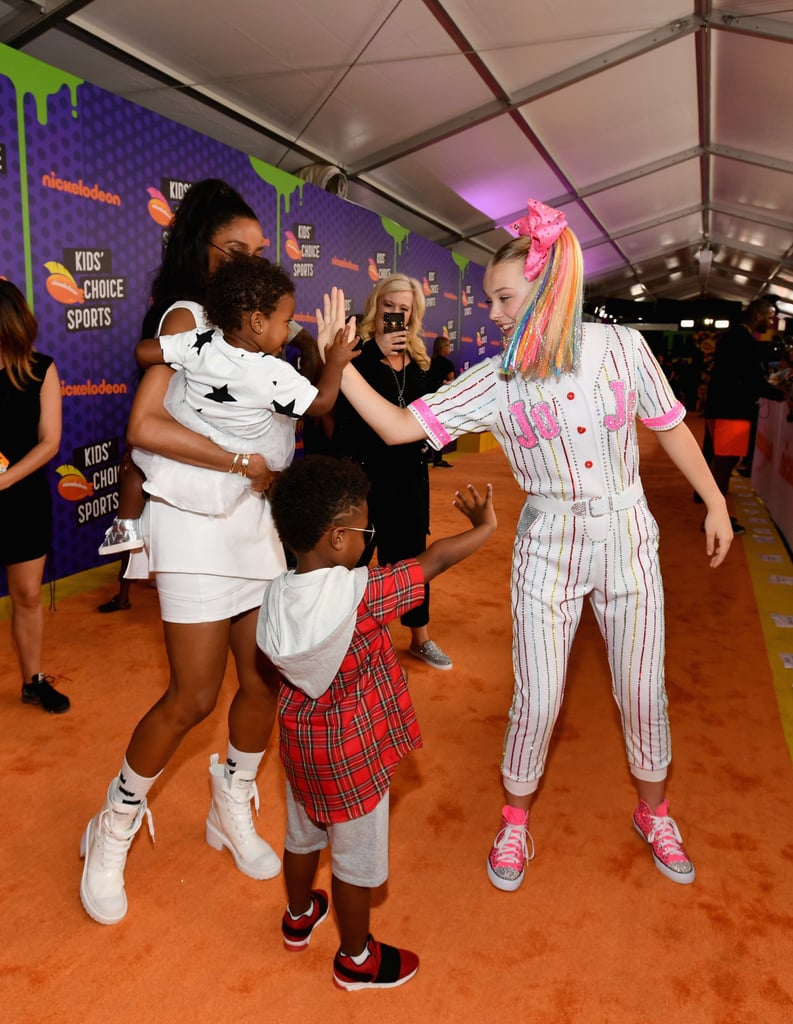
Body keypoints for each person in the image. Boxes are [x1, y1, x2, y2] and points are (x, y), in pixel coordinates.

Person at [315, 197, 735, 894]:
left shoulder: (621, 349)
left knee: (639, 689)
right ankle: (514, 818)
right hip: (547, 542)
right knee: (537, 698)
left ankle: (654, 811)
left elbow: (666, 424)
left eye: (504, 297)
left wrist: (716, 500)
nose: (495, 313)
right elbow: (396, 428)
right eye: (490, 300)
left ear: (547, 287)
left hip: (627, 534)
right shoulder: (495, 377)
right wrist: (342, 363)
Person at [79, 179, 292, 926]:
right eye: (234, 251)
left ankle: (229, 802)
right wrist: (238, 462)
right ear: (199, 246)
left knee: (264, 681)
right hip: (194, 524)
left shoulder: (249, 330)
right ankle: (113, 824)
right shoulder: (187, 318)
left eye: (257, 256)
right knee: (194, 696)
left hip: (252, 524)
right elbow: (143, 427)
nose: (245, 266)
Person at [257, 455, 496, 990]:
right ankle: (356, 958)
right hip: (354, 757)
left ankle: (298, 917)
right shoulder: (360, 595)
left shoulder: (274, 595)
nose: (371, 537)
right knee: (353, 863)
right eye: (367, 528)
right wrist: (484, 526)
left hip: (301, 748)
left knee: (302, 837)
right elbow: (433, 561)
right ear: (339, 538)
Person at [132, 255, 356, 516]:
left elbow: (143, 352)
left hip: (194, 453)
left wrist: (172, 357)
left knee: (136, 467)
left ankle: (125, 525)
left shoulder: (199, 341)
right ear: (258, 322)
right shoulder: (272, 373)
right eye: (286, 322)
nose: (288, 331)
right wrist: (335, 364)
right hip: (243, 462)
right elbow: (322, 403)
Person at [330, 274, 452, 671]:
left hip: (409, 475)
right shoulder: (354, 349)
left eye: (404, 309)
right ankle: (343, 637)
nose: (396, 315)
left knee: (412, 559)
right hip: (362, 475)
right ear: (375, 305)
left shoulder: (418, 358)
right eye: (389, 306)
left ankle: (420, 637)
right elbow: (336, 404)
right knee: (354, 559)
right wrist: (372, 351)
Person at [0, 280, 69, 714]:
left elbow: (50, 442)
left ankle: (32, 680)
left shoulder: (41, 369)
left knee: (27, 596)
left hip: (22, 499)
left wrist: (6, 481)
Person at [702, 299, 787, 532]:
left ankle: (715, 516)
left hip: (725, 408)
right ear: (759, 316)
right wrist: (781, 395)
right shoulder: (743, 340)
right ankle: (716, 518)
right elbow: (751, 381)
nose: (771, 323)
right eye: (769, 318)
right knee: (723, 464)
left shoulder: (735, 337)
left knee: (722, 463)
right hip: (731, 410)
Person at [426, 336, 456, 467]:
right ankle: (438, 458)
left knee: (427, 427)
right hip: (441, 399)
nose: (449, 348)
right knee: (439, 428)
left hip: (427, 399)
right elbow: (451, 381)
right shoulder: (447, 364)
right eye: (448, 345)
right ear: (442, 348)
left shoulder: (428, 362)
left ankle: (429, 456)